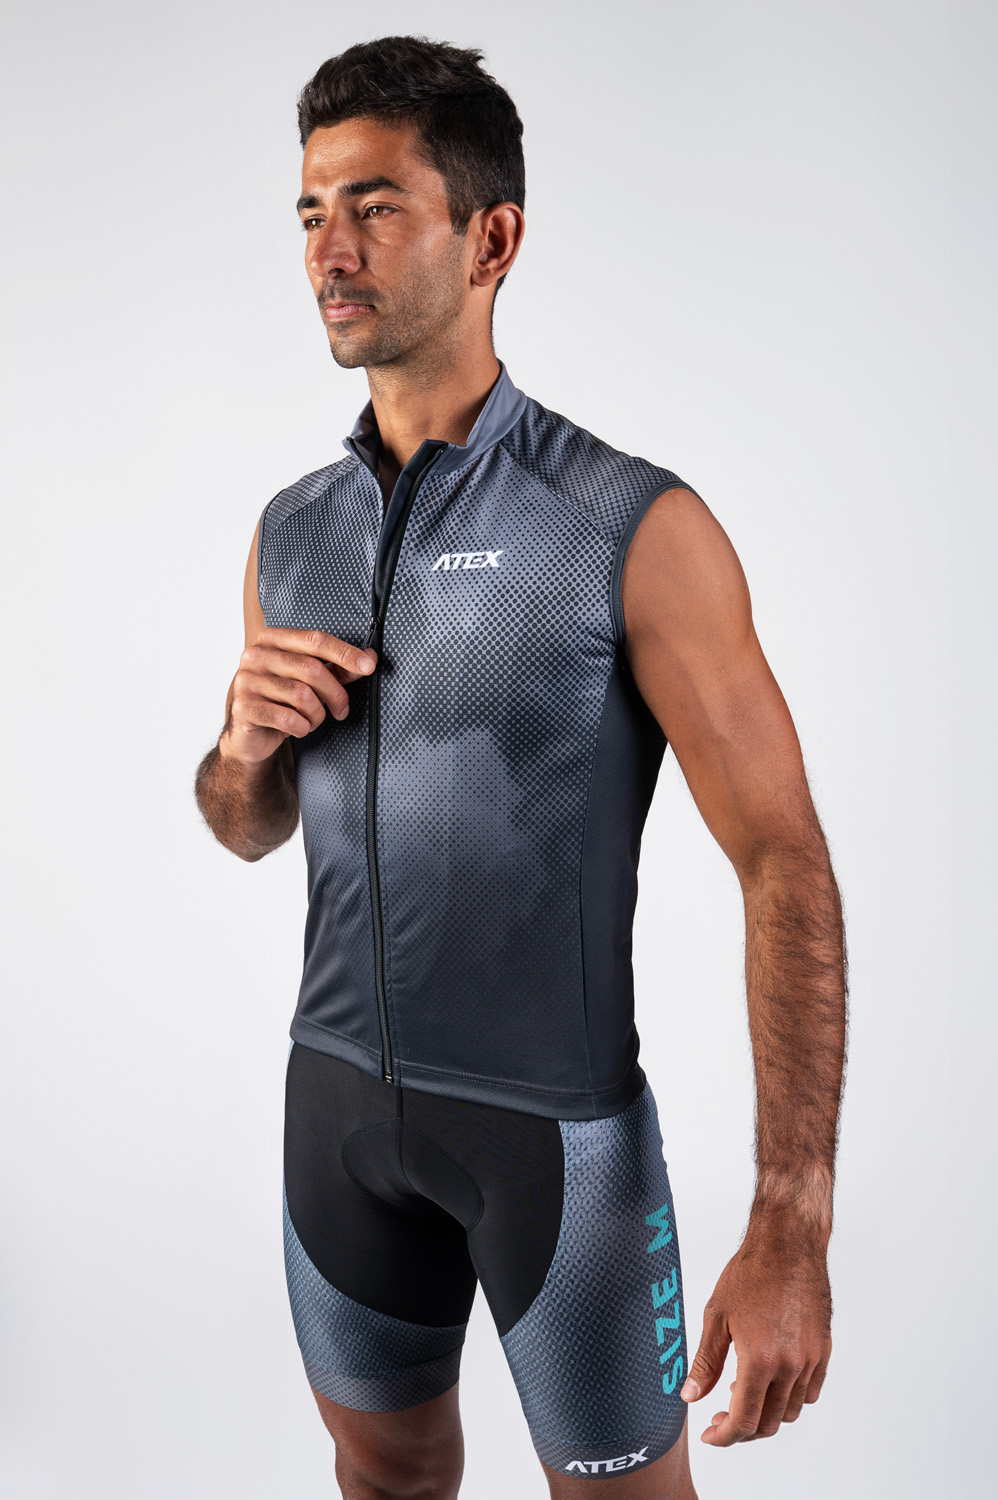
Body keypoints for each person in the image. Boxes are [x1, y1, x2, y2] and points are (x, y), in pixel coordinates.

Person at [194, 34, 846, 1500]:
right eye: (310, 212)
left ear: (492, 240)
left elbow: (782, 858)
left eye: (376, 207)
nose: (330, 251)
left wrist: (791, 1219)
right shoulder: (291, 530)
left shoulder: (628, 526)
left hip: (555, 1142)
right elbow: (245, 825)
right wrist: (240, 751)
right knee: (383, 1475)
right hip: (334, 1118)